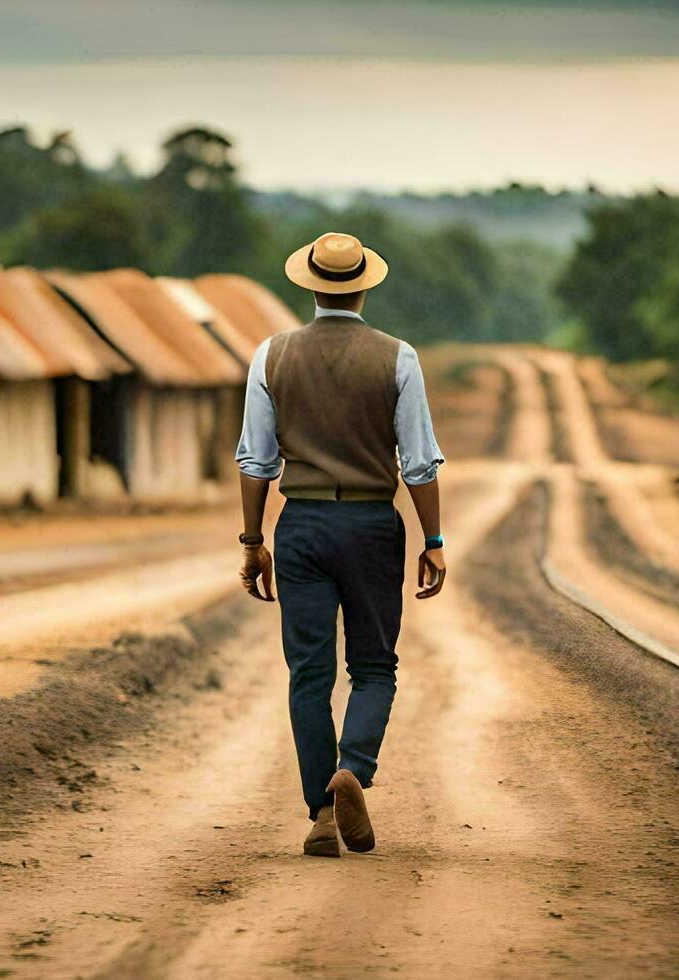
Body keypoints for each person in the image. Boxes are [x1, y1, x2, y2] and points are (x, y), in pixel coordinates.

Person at [235, 231, 446, 858]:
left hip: (299, 527)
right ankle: (352, 767)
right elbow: (420, 464)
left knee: (309, 673)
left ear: (311, 285)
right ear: (362, 286)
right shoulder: (398, 358)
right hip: (372, 526)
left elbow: (255, 461)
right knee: (374, 666)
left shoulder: (270, 356)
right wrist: (431, 539)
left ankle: (322, 813)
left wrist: (253, 541)